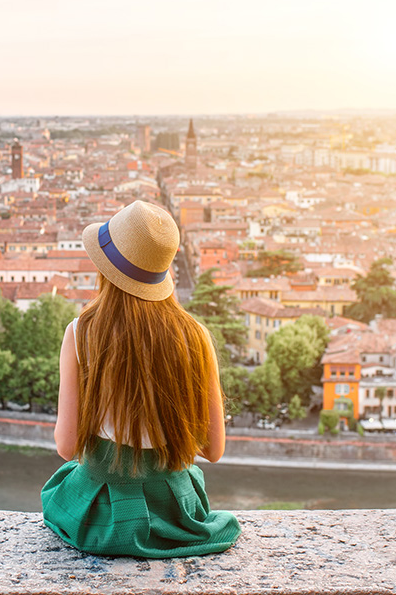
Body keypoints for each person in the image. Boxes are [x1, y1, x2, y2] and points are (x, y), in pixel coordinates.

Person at [41, 200, 240, 558]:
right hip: (175, 513)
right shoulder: (195, 336)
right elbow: (214, 449)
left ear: (106, 270)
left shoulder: (79, 333)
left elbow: (66, 447)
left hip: (103, 514)